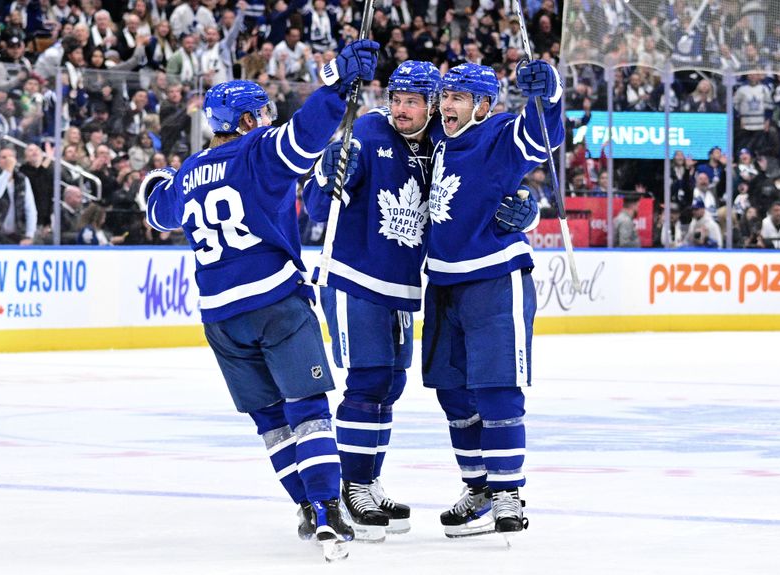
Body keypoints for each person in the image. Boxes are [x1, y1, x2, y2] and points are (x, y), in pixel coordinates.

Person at [141, 39, 379, 562]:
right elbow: (304, 136)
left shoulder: (189, 172)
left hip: (221, 318)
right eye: (261, 114)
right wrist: (337, 86)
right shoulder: (256, 151)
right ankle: (326, 508)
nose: (267, 119)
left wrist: (160, 179)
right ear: (245, 120)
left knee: (270, 421)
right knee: (309, 409)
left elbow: (157, 210)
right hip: (275, 302)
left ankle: (304, 506)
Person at [422, 61, 563, 539]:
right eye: (445, 95)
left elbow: (541, 135)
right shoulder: (437, 141)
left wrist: (549, 92)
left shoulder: (501, 133)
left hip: (494, 279)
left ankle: (507, 492)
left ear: (484, 105)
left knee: (497, 389)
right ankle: (478, 488)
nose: (447, 104)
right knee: (453, 394)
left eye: (459, 97)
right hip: (442, 284)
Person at [302, 60, 441, 542]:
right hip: (354, 276)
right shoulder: (366, 131)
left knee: (391, 386)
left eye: (412, 102)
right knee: (367, 382)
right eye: (397, 99)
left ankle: (367, 478)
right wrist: (327, 172)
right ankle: (351, 487)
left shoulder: (438, 144)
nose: (401, 110)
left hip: (403, 286)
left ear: (433, 105)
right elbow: (317, 208)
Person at [0, 146, 38, 245]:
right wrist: (7, 171)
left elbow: (30, 209)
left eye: (10, 157)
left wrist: (29, 235)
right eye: (4, 157)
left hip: (16, 234)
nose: (7, 160)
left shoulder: (22, 180)